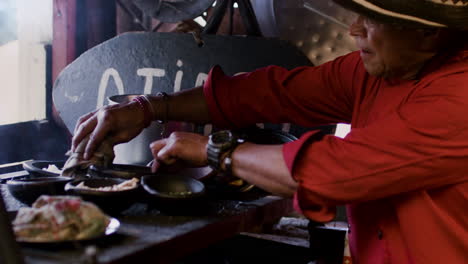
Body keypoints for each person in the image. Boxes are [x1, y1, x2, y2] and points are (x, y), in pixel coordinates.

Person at [72, 0, 468, 263]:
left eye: (374, 18)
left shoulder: (458, 97)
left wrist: (215, 152)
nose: (354, 29)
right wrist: (148, 107)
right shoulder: (381, 71)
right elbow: (268, 94)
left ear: (428, 31)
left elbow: (332, 171)